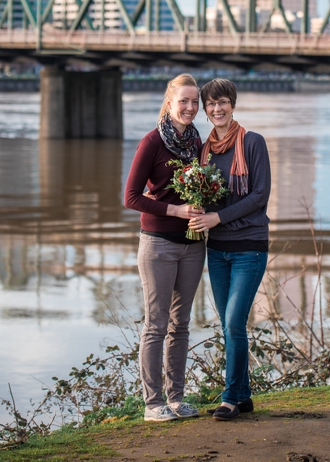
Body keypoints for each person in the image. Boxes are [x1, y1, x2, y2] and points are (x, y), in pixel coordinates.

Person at [187, 78, 271, 422]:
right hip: (217, 250)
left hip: (249, 248)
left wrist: (218, 217)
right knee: (228, 325)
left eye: (222, 102)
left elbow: (259, 196)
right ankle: (244, 396)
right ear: (205, 111)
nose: (217, 109)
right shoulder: (203, 151)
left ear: (232, 104)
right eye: (210, 105)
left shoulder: (253, 142)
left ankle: (229, 399)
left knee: (235, 322)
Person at [124, 73, 206, 422]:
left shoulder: (198, 142)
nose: (190, 108)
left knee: (181, 325)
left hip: (192, 245)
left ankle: (176, 400)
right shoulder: (152, 142)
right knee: (156, 325)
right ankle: (152, 404)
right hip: (157, 244)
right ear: (170, 103)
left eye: (194, 102)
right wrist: (175, 210)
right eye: (183, 101)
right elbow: (130, 197)